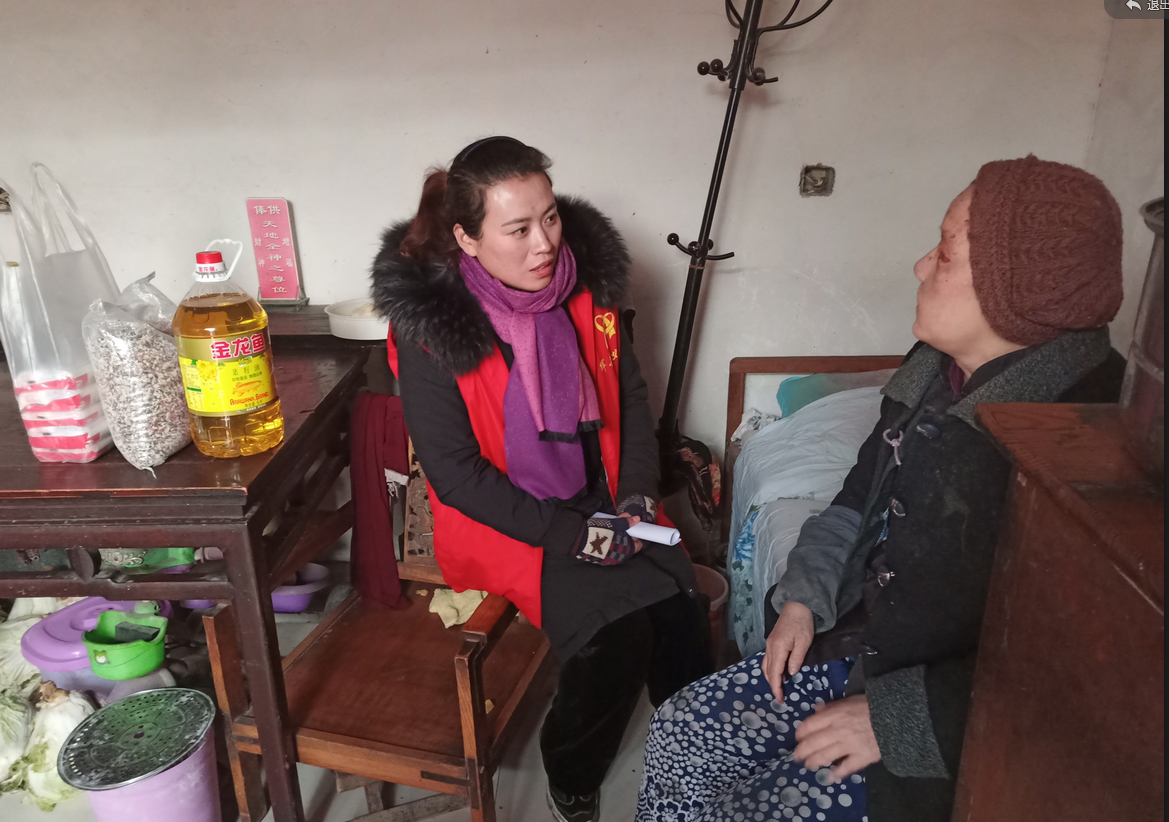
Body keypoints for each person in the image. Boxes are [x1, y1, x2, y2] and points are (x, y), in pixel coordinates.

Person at [636, 155, 1127, 822]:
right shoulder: (932, 371)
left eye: (945, 254)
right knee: (678, 732)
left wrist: (900, 720)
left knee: (742, 811)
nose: (920, 267)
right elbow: (856, 498)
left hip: (948, 719)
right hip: (863, 650)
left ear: (1020, 288)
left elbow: (1083, 676)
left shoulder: (1086, 442)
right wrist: (804, 599)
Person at [371, 136, 712, 822]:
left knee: (681, 608)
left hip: (604, 491)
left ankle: (694, 752)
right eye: (518, 229)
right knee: (616, 637)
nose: (545, 244)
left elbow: (629, 397)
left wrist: (636, 494)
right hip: (514, 518)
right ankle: (573, 776)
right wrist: (574, 535)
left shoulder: (585, 291)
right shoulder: (434, 332)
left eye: (550, 217)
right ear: (467, 239)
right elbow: (457, 477)